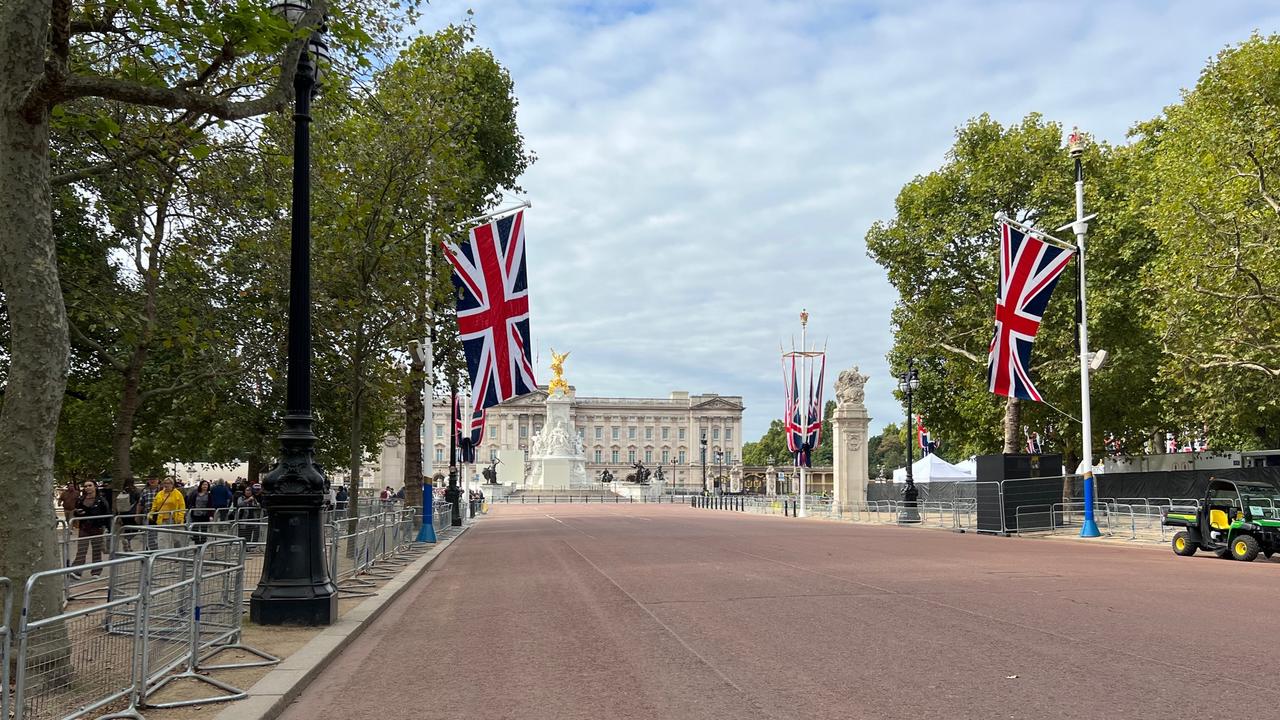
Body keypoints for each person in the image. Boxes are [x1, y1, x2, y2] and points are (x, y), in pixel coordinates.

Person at [71, 480, 111, 576]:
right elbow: (76, 512)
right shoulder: (81, 499)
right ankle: (76, 571)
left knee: (96, 550)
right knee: (81, 550)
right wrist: (77, 513)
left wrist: (108, 529)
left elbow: (107, 514)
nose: (87, 488)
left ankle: (96, 572)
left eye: (90, 485)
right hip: (84, 528)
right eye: (85, 486)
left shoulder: (101, 500)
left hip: (97, 528)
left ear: (95, 487)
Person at [149, 477, 187, 548]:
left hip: (174, 520)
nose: (166, 485)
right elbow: (154, 506)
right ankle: (164, 557)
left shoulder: (178, 494)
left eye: (168, 483)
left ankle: (180, 555)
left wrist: (180, 517)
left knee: (176, 539)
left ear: (172, 484)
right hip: (162, 520)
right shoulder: (159, 494)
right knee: (162, 539)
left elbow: (182, 507)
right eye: (165, 483)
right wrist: (151, 514)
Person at [113, 478, 141, 550]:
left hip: (123, 513)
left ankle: (127, 544)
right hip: (132, 513)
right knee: (136, 528)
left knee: (127, 529)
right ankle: (128, 540)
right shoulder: (135, 491)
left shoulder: (123, 491)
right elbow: (139, 501)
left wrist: (118, 514)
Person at [137, 475, 162, 551]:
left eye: (154, 479)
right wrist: (137, 515)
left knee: (159, 534)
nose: (152, 481)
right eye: (150, 479)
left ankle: (158, 550)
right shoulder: (145, 491)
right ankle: (152, 550)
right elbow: (140, 504)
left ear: (158, 480)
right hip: (147, 516)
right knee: (149, 534)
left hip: (159, 515)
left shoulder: (162, 490)